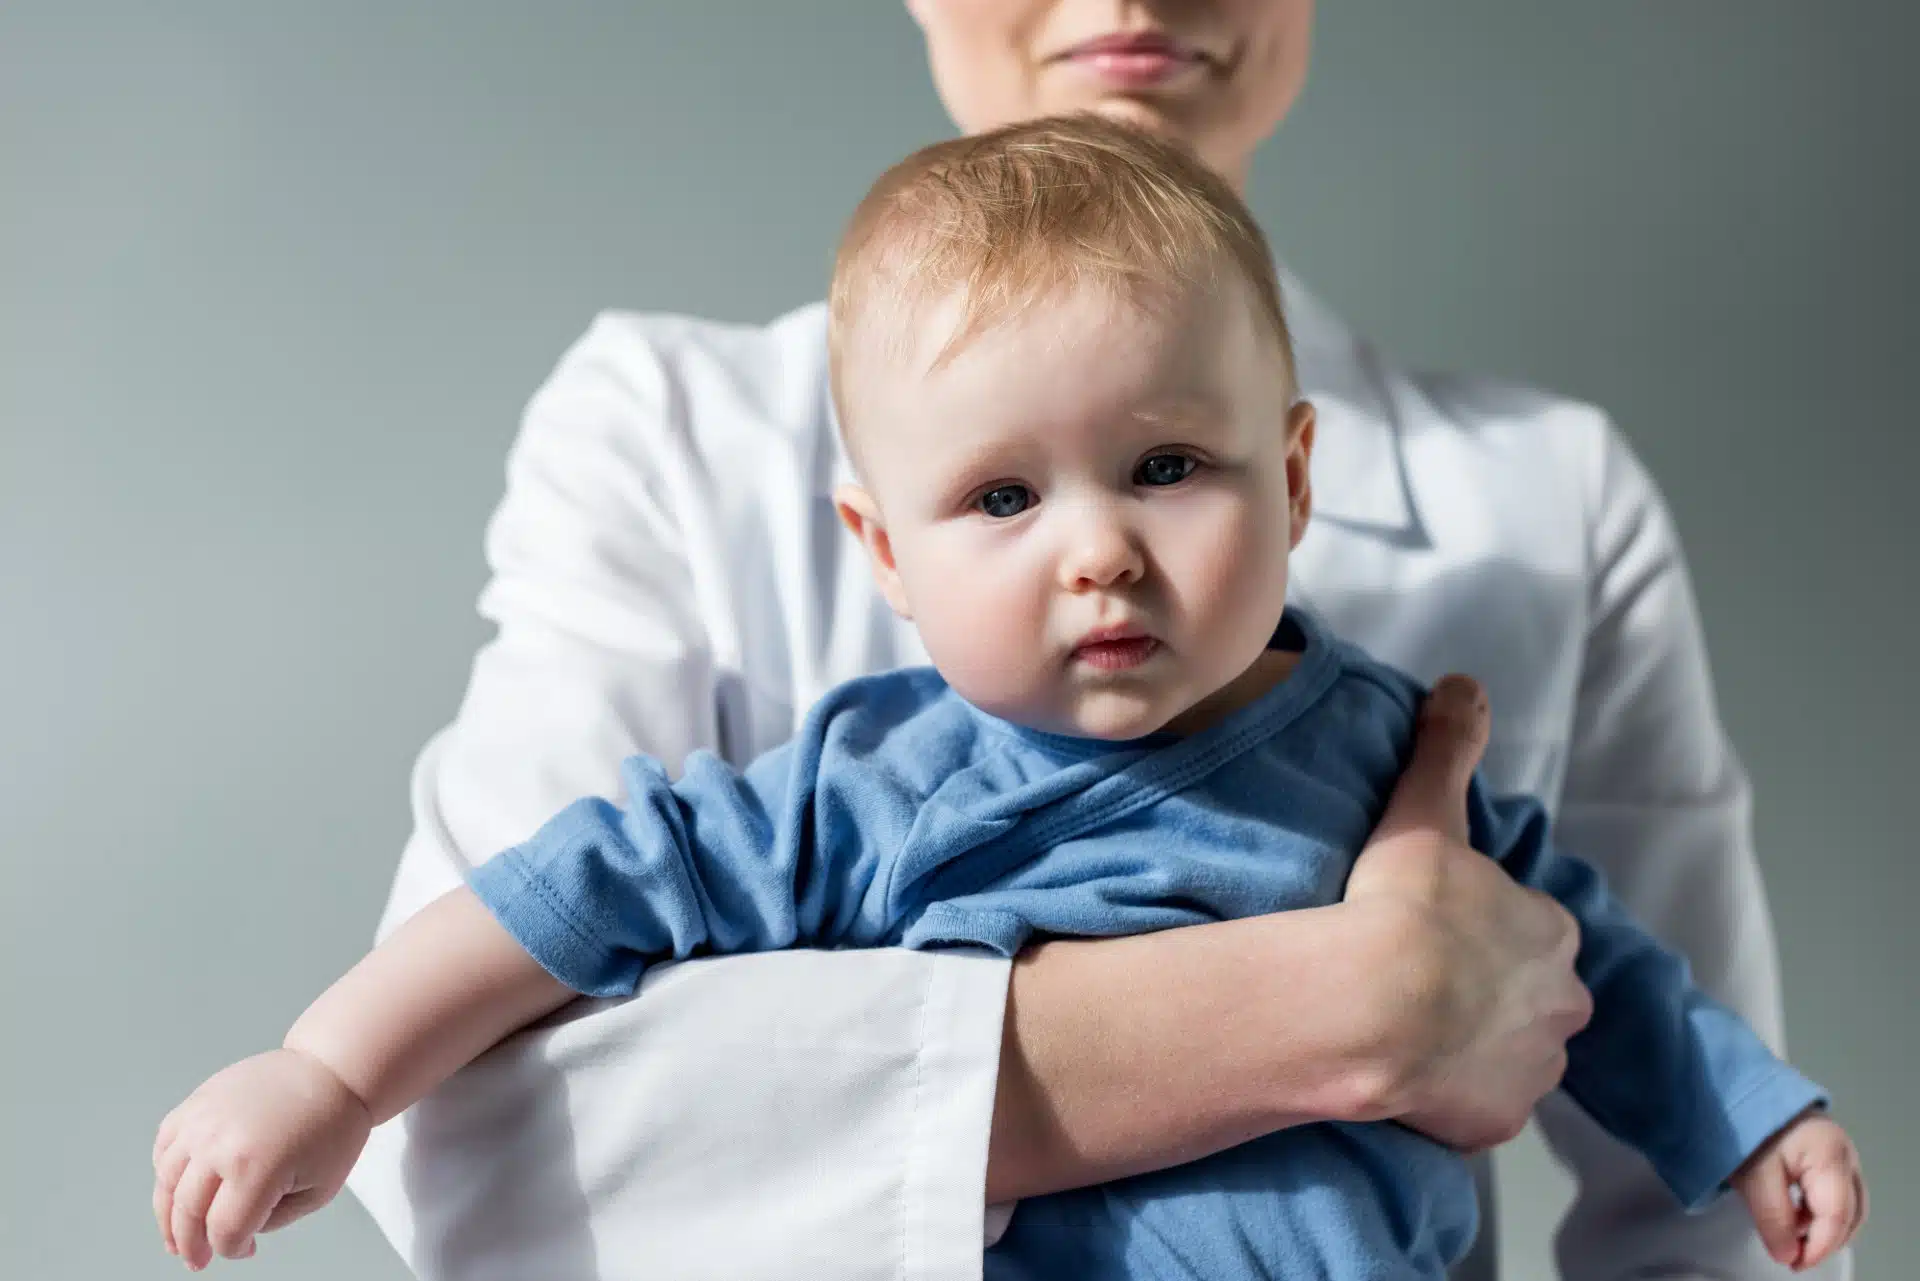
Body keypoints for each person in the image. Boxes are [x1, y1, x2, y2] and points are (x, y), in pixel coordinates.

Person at [148, 3, 1842, 1279]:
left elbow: (1621, 986)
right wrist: (1350, 1003)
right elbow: (511, 1075)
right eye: (999, 498)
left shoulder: (1404, 715)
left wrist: (1756, 1119)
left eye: (1171, 467)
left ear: (1299, 472)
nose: (1099, 549)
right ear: (878, 549)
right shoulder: (875, 769)